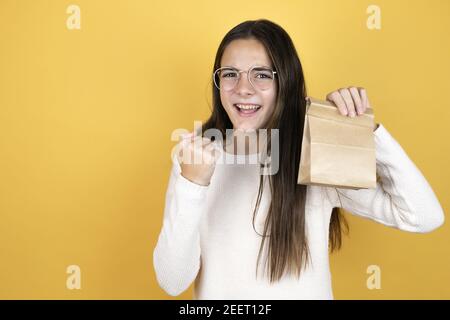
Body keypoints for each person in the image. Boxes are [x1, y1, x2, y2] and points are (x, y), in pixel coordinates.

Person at [153, 19, 445, 299]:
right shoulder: (195, 160)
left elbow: (423, 216)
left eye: (262, 74)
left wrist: (366, 131)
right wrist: (192, 184)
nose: (243, 88)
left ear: (286, 82)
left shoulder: (314, 152)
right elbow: (173, 281)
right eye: (230, 73)